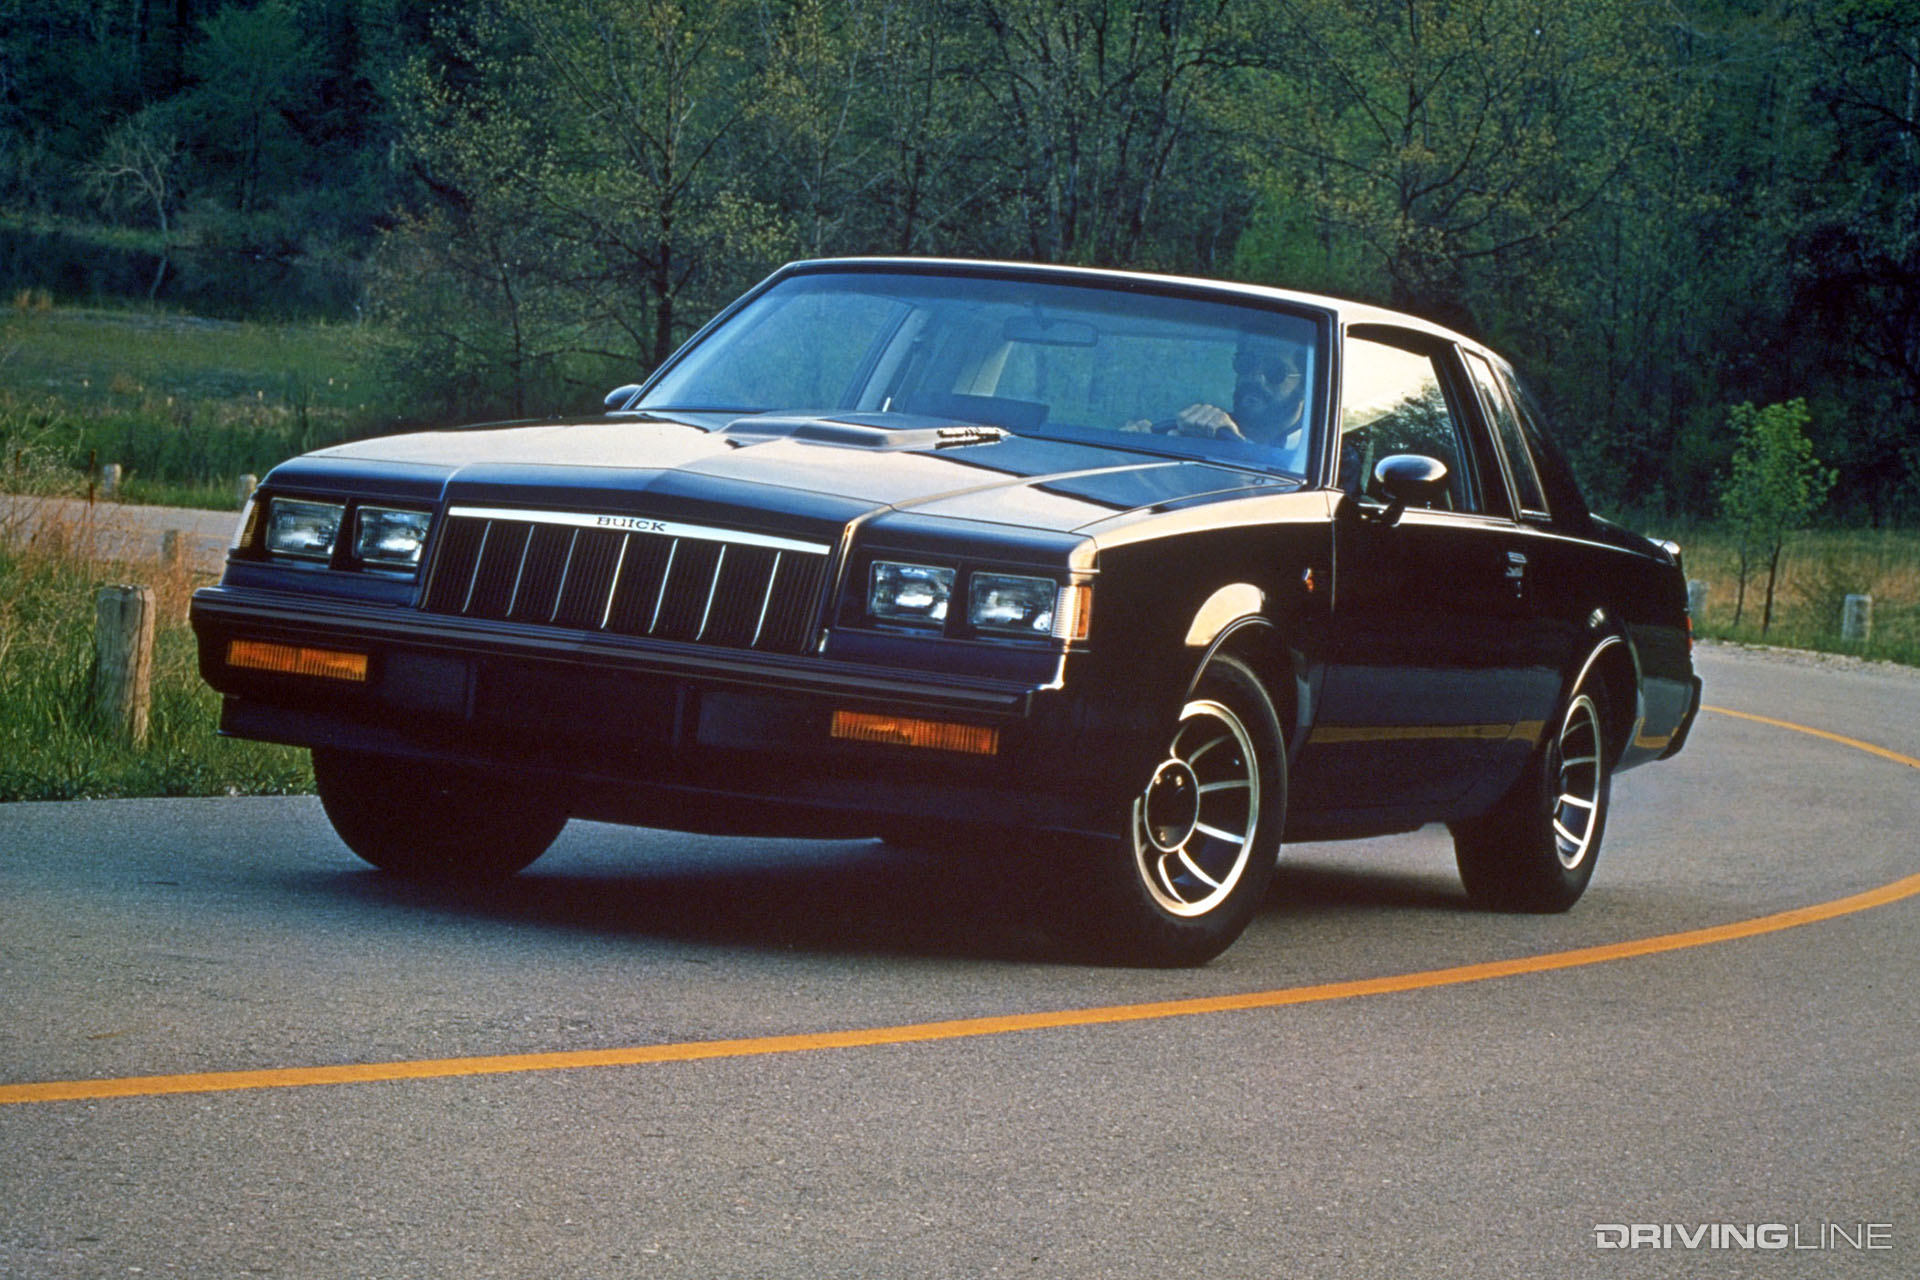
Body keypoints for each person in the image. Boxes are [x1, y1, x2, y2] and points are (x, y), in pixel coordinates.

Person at [1121, 333, 1307, 455]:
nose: (1255, 379)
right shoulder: (1199, 431)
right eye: (1245, 364)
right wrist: (1134, 445)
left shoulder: (1312, 453)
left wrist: (1237, 448)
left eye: (1275, 371)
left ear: (1304, 385)